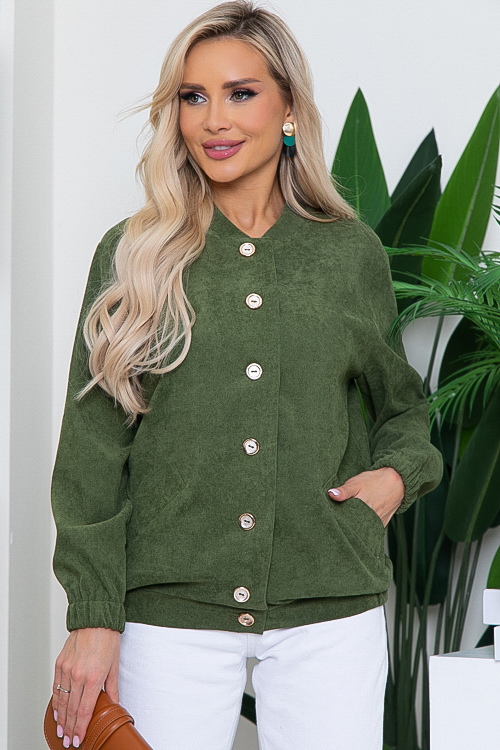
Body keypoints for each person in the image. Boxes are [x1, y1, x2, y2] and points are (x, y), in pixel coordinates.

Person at [50, 2, 443, 749]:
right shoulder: (132, 253)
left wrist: (396, 477)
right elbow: (92, 449)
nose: (214, 120)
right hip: (169, 614)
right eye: (193, 97)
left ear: (289, 107)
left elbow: (403, 407)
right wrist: (94, 615)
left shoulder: (348, 253)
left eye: (240, 93)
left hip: (328, 606)